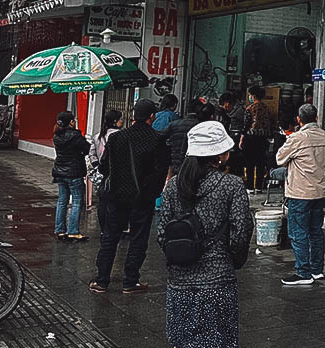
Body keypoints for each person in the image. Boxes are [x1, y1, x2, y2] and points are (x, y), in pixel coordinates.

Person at [139, 120, 250, 348]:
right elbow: (241, 234)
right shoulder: (231, 186)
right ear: (219, 153)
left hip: (179, 281)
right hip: (214, 281)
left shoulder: (173, 187)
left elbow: (162, 235)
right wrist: (230, 261)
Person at [90, 100, 170, 295]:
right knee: (138, 238)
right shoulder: (157, 139)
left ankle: (102, 280)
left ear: (133, 115)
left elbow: (104, 167)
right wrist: (151, 191)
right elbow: (160, 171)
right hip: (142, 198)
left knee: (110, 237)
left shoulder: (117, 138)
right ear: (152, 116)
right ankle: (131, 281)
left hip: (116, 196)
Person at [274, 102, 325, 286]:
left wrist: (290, 137)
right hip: (319, 191)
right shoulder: (323, 135)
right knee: (315, 232)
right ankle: (316, 270)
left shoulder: (298, 137)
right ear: (316, 118)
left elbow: (280, 158)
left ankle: (303, 272)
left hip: (300, 192)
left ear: (299, 119)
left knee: (298, 233)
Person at [52, 111, 91, 241]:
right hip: (74, 172)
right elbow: (87, 149)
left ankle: (59, 230)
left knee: (62, 201)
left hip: (60, 171)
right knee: (76, 201)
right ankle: (73, 231)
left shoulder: (57, 136)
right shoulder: (75, 136)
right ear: (71, 122)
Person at [165, 100, 217, 180]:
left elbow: (166, 144)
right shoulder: (202, 127)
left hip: (175, 167)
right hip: (194, 170)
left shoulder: (173, 125)